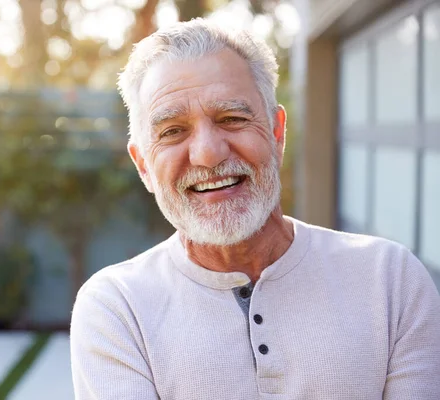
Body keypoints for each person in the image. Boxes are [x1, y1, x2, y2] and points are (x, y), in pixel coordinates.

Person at [69, 18, 440, 399]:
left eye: (232, 118)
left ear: (277, 133)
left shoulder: (390, 281)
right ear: (144, 165)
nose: (208, 153)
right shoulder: (117, 309)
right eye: (173, 131)